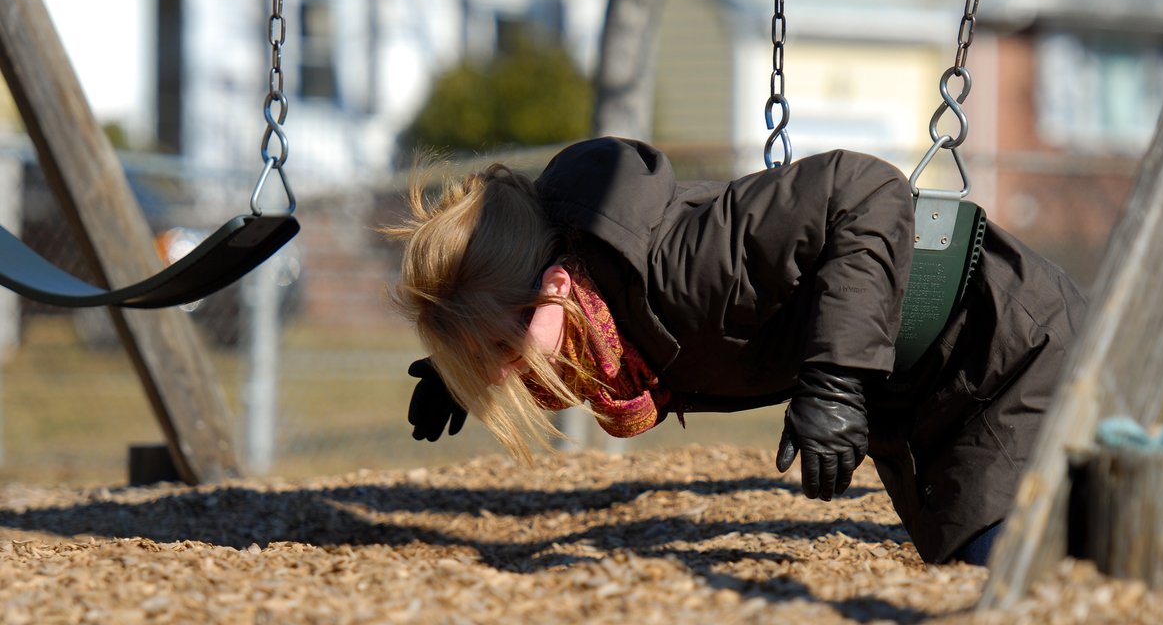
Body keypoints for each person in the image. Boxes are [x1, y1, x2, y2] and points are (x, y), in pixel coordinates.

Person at [387, 137, 1087, 566]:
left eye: (505, 345)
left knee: (1018, 571)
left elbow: (868, 190)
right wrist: (464, 369)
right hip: (924, 387)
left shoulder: (678, 265)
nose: (509, 370)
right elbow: (538, 337)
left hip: (1000, 342)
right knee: (984, 563)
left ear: (558, 282)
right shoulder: (601, 310)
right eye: (486, 360)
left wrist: (836, 378)